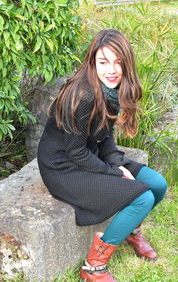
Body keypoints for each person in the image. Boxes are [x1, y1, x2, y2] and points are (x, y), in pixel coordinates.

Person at [37, 29, 167, 282]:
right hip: (63, 166)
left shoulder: (111, 89)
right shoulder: (82, 95)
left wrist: (117, 162)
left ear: (126, 63)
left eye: (118, 62)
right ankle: (93, 268)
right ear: (92, 62)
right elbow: (74, 151)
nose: (112, 69)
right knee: (142, 198)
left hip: (89, 152)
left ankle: (129, 229)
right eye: (104, 62)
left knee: (157, 185)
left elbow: (105, 135)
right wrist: (116, 173)